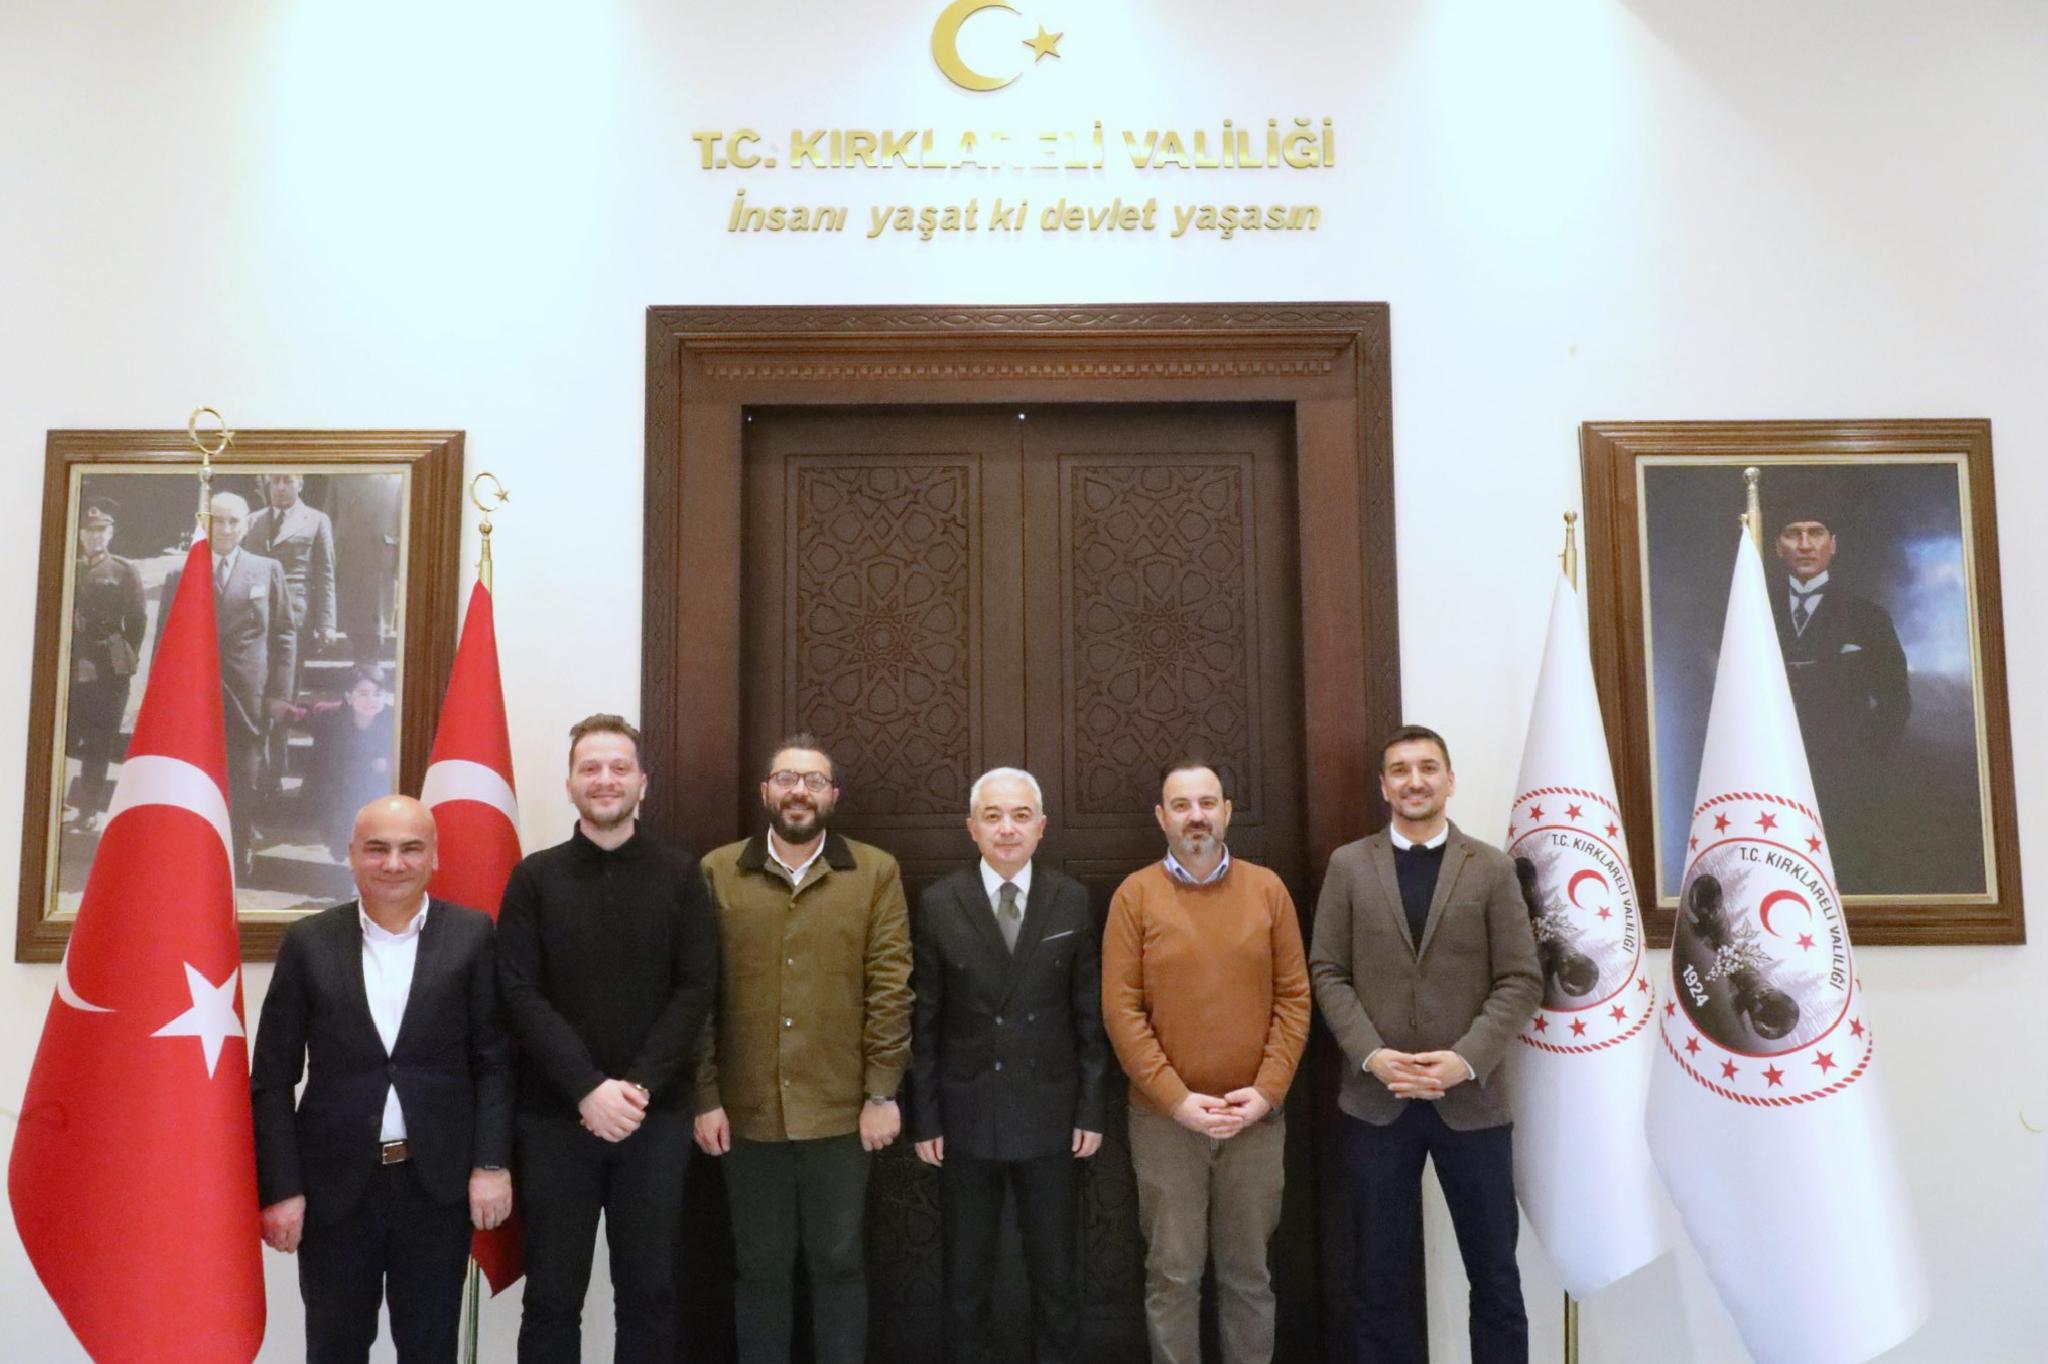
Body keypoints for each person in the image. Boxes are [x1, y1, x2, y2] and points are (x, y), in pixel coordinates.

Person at [1308, 725, 1542, 1364]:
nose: (1415, 781)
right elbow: (1327, 971)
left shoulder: (1490, 868)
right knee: (1378, 1279)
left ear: (1449, 780)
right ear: (1384, 786)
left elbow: (1521, 979)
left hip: (1472, 1102)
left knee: (1494, 1276)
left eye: (1428, 767)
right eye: (1401, 770)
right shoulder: (1348, 866)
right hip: (1377, 1102)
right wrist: (1372, 1056)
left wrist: (1464, 1060)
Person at [250, 795, 513, 1363]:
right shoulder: (309, 942)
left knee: (430, 1349)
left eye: (410, 848)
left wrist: (491, 1164)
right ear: (351, 855)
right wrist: (282, 1187)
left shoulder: (471, 936)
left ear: (434, 857)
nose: (394, 863)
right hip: (335, 1189)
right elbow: (272, 1077)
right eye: (377, 849)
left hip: (435, 1185)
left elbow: (494, 1061)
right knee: (335, 1348)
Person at [496, 713, 721, 1363]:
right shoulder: (534, 879)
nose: (605, 779)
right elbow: (518, 993)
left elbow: (696, 989)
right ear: (569, 783)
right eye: (590, 768)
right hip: (554, 1120)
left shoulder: (683, 875)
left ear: (642, 782)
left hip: (655, 1120)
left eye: (619, 767)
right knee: (550, 1300)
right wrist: (588, 1089)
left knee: (649, 1296)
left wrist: (636, 1087)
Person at [693, 735, 913, 1364]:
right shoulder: (718, 871)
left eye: (814, 781)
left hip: (841, 1111)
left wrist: (881, 1094)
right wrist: (704, 1096)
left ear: (833, 796)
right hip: (745, 1111)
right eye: (787, 779)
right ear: (765, 791)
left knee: (839, 1264)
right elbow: (696, 994)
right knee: (758, 1269)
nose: (799, 791)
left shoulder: (875, 872)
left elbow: (891, 988)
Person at [1101, 758, 1311, 1364]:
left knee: (1249, 1275)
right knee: (1172, 1275)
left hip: (1255, 1121)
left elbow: (1294, 998)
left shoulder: (1267, 890)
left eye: (1207, 803)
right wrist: (1178, 1101)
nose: (1196, 815)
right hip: (1166, 1123)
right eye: (1182, 805)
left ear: (1227, 812)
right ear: (1161, 817)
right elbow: (1121, 1010)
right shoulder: (1135, 896)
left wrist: (1266, 1092)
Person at [909, 767, 1108, 1364]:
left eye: (1021, 816)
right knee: (965, 1276)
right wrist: (925, 1117)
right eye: (992, 816)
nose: (1007, 828)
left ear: (1041, 827)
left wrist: (1092, 1109)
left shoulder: (1071, 899)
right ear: (971, 827)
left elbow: (1089, 1017)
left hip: (1052, 1117)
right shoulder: (939, 902)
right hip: (965, 1117)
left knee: (1056, 1274)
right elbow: (924, 1021)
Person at [1767, 506, 1910, 884]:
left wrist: (1862, 761)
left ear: (1833, 544)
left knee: (1845, 875)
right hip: (1771, 774)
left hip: (1846, 781)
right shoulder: (1755, 613)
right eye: (1792, 533)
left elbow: (1895, 701)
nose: (1804, 544)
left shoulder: (1867, 616)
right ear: (1777, 546)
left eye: (1815, 533)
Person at [159, 490, 297, 879]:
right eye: (217, 520)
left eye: (234, 521)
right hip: (196, 696)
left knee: (244, 777)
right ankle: (193, 851)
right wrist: (163, 701)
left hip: (248, 695)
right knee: (196, 776)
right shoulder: (181, 575)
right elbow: (165, 642)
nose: (226, 528)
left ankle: (238, 847)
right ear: (204, 523)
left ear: (247, 525)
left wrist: (279, 694)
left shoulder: (267, 570)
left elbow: (284, 635)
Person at [65, 498, 146, 828]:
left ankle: (87, 809)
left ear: (110, 533)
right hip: (72, 664)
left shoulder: (123, 571)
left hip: (108, 669)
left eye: (101, 530)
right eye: (89, 530)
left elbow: (137, 621)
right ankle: (55, 800)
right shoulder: (68, 565)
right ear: (80, 534)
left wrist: (124, 657)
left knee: (100, 740)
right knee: (66, 734)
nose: (95, 535)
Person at [302, 666, 398, 859]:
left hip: (378, 794)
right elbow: (321, 772)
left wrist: (388, 764)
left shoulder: (393, 721)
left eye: (377, 694)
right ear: (349, 697)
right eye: (363, 694)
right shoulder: (333, 724)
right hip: (341, 794)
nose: (371, 700)